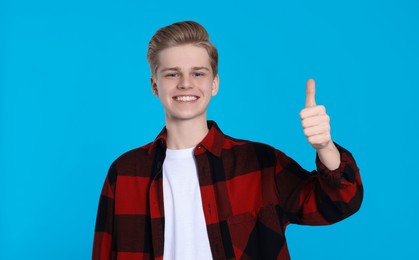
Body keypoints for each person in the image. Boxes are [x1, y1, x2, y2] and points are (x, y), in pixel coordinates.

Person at [92, 21, 363, 260]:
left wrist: (326, 148)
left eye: (198, 73)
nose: (186, 83)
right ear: (155, 85)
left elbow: (340, 203)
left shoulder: (259, 163)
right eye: (172, 74)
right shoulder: (125, 173)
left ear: (214, 84)